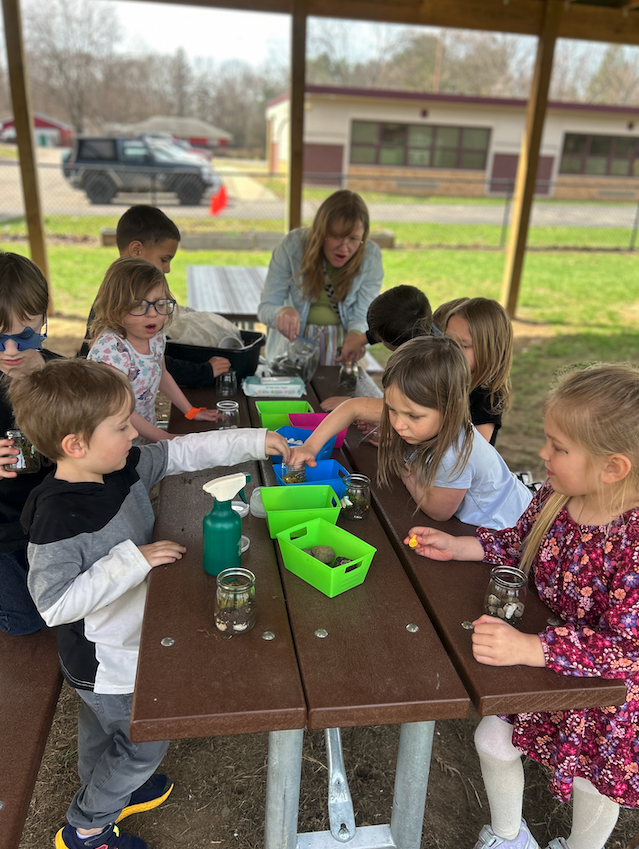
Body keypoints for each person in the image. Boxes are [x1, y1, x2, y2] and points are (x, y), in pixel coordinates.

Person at [12, 358, 290, 849]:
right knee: (141, 742)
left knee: (103, 728)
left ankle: (112, 786)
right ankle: (88, 827)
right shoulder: (58, 518)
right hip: (104, 656)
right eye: (121, 427)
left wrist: (253, 440)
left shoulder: (119, 467)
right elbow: (53, 606)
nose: (134, 433)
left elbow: (182, 451)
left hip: (121, 643)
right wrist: (132, 561)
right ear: (75, 445)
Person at [406, 363, 639, 849]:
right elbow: (522, 541)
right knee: (493, 740)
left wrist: (532, 647)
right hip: (546, 658)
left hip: (607, 694)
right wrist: (463, 547)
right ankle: (508, 836)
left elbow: (627, 650)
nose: (542, 453)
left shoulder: (633, 542)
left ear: (613, 467)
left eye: (559, 446)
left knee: (591, 782)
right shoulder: (559, 494)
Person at [291, 336, 531, 530]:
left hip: (508, 527)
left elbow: (437, 511)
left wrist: (406, 469)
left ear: (451, 407)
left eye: (413, 416)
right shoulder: (413, 406)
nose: (398, 424)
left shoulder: (454, 453)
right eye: (392, 409)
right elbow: (353, 407)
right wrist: (310, 447)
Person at [78, 205, 231, 385]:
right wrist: (203, 371)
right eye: (164, 259)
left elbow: (155, 353)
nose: (167, 269)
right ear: (136, 250)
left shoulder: (121, 292)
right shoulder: (120, 302)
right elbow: (153, 361)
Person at [257, 189, 383, 394]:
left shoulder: (371, 256)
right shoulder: (292, 246)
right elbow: (265, 308)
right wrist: (282, 312)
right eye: (336, 237)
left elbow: (364, 315)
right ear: (320, 232)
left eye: (353, 239)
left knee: (336, 406)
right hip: (292, 348)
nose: (344, 247)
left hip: (340, 352)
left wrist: (356, 336)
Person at [87, 256, 217, 443]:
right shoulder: (111, 351)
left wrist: (190, 410)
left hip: (144, 434)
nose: (153, 313)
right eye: (139, 305)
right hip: (112, 443)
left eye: (160, 303)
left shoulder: (155, 337)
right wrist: (164, 437)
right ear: (115, 307)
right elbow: (118, 408)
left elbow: (162, 374)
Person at [0, 251, 61, 635]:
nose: (10, 352)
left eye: (24, 336)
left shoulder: (61, 373)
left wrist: (50, 385)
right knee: (23, 624)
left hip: (51, 522)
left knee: (65, 610)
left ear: (43, 320)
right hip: (4, 531)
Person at [319, 284, 442, 412]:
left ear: (397, 346)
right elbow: (392, 326)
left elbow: (401, 407)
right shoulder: (420, 324)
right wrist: (360, 340)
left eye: (380, 338)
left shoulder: (419, 369)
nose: (377, 338)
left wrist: (353, 402)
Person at [439, 297, 513, 446]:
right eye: (448, 340)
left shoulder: (488, 397)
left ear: (491, 351)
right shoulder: (450, 377)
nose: (451, 349)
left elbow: (474, 450)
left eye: (463, 345)